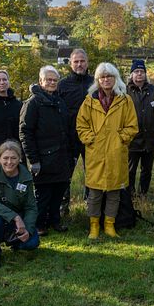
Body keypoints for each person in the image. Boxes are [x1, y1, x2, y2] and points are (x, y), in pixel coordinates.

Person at [76, 62, 138, 239]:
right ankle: (94, 226)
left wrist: (120, 139)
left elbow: (132, 126)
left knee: (114, 191)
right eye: (102, 77)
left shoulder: (125, 100)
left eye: (109, 76)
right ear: (97, 80)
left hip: (116, 153)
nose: (106, 80)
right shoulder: (90, 100)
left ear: (115, 78)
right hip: (95, 152)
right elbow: (81, 125)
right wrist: (91, 140)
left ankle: (109, 225)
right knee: (94, 192)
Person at [20, 66, 73, 235]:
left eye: (54, 80)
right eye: (48, 80)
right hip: (43, 158)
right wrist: (33, 159)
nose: (51, 83)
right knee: (43, 195)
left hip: (61, 157)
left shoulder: (59, 101)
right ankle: (39, 224)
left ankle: (55, 221)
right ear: (40, 81)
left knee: (58, 192)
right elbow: (25, 132)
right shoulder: (33, 103)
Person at [0, 141, 39, 269]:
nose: (9, 162)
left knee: (32, 243)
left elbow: (31, 207)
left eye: (13, 158)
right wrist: (15, 217)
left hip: (17, 220)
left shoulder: (26, 176)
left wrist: (27, 229)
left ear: (19, 159)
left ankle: (13, 240)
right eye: (5, 158)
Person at [57, 48, 93, 215]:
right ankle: (63, 210)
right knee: (65, 175)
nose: (79, 64)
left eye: (82, 61)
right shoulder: (62, 85)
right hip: (69, 138)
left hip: (92, 138)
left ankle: (90, 207)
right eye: (76, 61)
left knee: (92, 174)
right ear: (70, 63)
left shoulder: (95, 83)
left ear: (87, 63)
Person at [127, 59, 154, 197]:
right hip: (132, 140)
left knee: (147, 169)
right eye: (136, 72)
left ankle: (143, 193)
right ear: (131, 74)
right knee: (130, 169)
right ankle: (130, 194)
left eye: (141, 72)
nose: (139, 74)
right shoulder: (125, 91)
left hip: (150, 138)